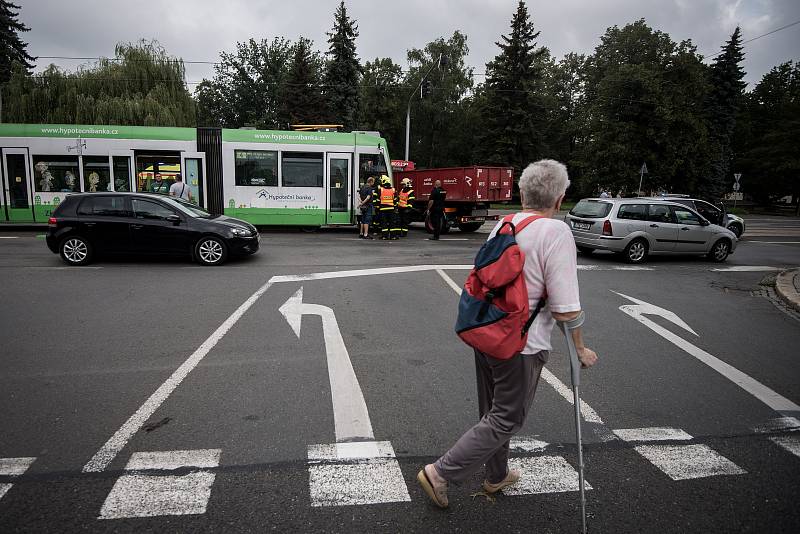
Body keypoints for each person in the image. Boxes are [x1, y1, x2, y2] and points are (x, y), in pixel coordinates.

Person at [417, 159, 599, 509]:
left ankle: (496, 475)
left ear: (520, 192)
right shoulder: (556, 232)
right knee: (508, 417)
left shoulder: (503, 224)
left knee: (492, 413)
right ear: (561, 199)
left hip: (487, 333)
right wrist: (580, 347)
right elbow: (565, 309)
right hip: (521, 344)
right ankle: (440, 473)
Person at [377, 175, 400, 240]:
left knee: (384, 223)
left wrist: (378, 207)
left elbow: (378, 200)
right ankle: (393, 236)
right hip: (391, 209)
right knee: (392, 223)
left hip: (383, 209)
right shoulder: (393, 190)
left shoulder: (381, 190)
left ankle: (384, 236)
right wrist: (395, 207)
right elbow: (396, 200)